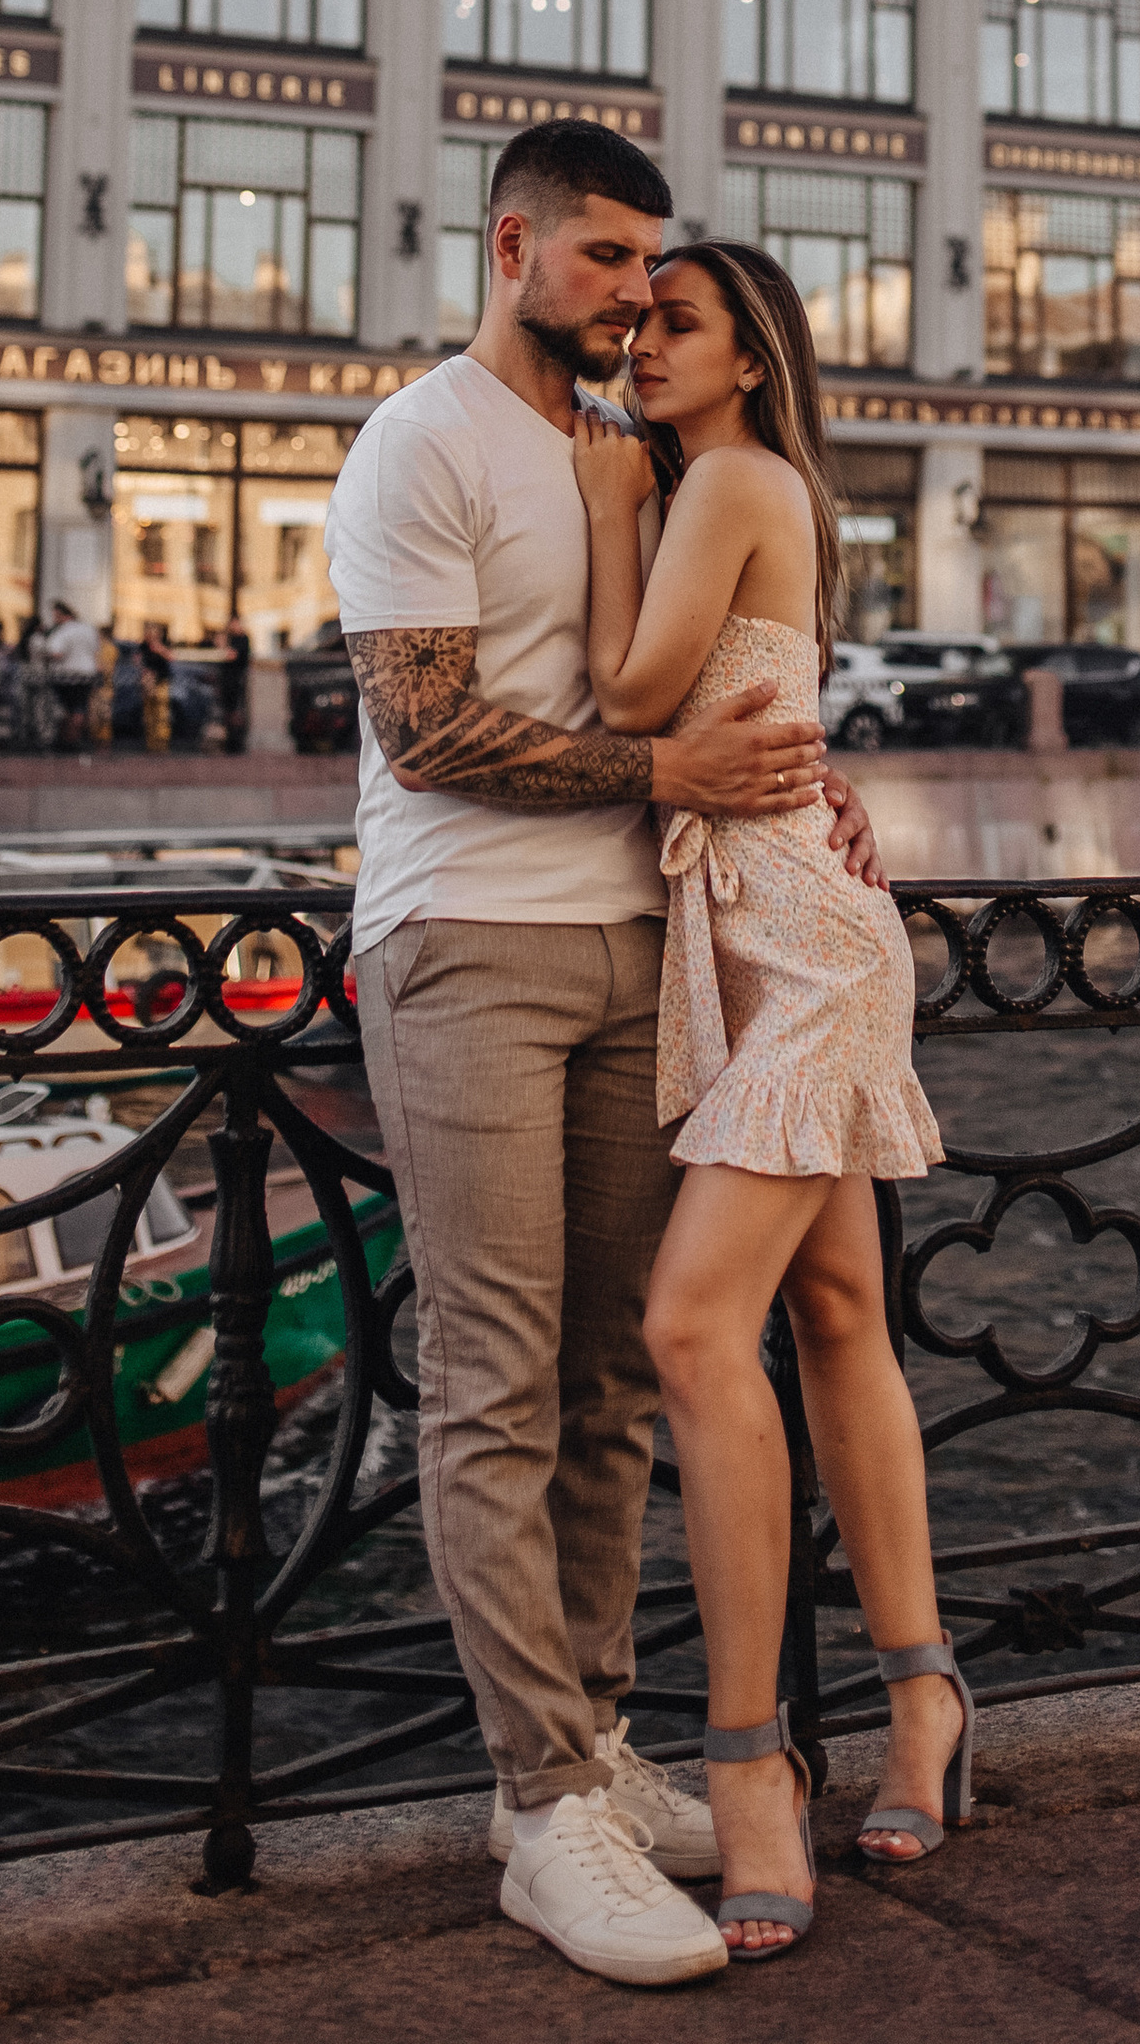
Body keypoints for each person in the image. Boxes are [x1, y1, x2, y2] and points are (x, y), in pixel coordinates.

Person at [326, 120, 881, 1992]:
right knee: (490, 1375)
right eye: (607, 258)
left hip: (649, 940)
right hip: (464, 939)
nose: (637, 294)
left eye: (655, 267)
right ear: (513, 248)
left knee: (611, 1381)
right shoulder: (420, 442)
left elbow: (723, 654)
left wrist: (808, 773)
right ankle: (544, 1806)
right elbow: (424, 730)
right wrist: (667, 765)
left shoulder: (640, 452)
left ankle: (597, 1742)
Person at [576, 242, 964, 1959]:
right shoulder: (729, 487)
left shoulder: (726, 479)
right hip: (756, 939)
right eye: (639, 323)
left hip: (805, 956)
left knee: (688, 1328)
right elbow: (754, 700)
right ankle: (925, 1697)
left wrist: (608, 518)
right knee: (839, 1315)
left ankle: (750, 1769)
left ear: (749, 360)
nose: (644, 347)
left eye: (679, 326)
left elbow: (633, 699)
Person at [42, 598, 101, 747]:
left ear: (62, 615)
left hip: (67, 674)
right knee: (80, 708)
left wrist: (43, 655)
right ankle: (78, 738)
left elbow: (57, 653)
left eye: (55, 616)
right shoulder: (88, 629)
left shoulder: (63, 631)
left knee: (67, 709)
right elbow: (96, 651)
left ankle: (69, 740)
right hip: (87, 673)